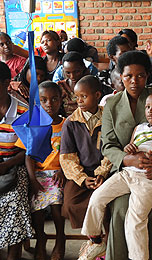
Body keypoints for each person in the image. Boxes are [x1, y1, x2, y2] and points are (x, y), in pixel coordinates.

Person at [80, 92, 152, 260]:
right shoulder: (139, 127)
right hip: (127, 174)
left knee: (135, 222)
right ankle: (95, 239)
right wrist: (129, 148)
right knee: (97, 197)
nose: (150, 111)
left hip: (148, 179)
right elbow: (132, 145)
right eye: (148, 107)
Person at [101, 51, 152, 260]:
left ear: (148, 76)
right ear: (120, 77)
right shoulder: (111, 104)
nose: (134, 81)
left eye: (140, 76)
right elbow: (108, 145)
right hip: (126, 169)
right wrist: (128, 159)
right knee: (120, 207)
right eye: (128, 76)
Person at [0, 60, 32, 260]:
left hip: (13, 165)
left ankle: (14, 255)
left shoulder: (23, 111)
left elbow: (28, 150)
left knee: (15, 200)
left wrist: (5, 165)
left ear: (6, 83)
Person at [15, 81, 66, 260]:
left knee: (57, 208)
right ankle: (41, 239)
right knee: (36, 211)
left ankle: (61, 239)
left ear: (61, 100)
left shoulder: (67, 125)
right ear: (38, 103)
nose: (49, 104)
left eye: (54, 99)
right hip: (37, 175)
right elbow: (28, 156)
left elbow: (71, 153)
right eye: (44, 100)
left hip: (59, 174)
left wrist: (63, 171)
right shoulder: (33, 126)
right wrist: (33, 180)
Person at [60, 76, 112, 230]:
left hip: (106, 171)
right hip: (81, 173)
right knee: (70, 204)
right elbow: (67, 157)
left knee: (108, 203)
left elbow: (112, 149)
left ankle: (108, 240)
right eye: (77, 97)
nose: (79, 101)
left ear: (97, 95)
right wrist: (82, 179)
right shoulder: (71, 123)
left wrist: (102, 173)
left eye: (84, 96)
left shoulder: (109, 118)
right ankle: (94, 239)